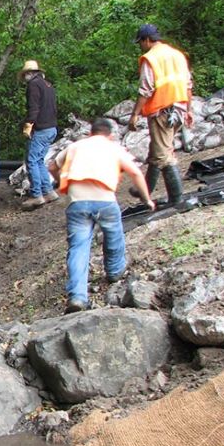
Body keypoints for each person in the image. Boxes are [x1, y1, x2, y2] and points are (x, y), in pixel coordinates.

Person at [48, 118, 156, 314]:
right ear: (110, 135)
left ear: (90, 133)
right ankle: (114, 271)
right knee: (113, 233)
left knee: (78, 248)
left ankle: (77, 297)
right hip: (105, 201)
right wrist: (147, 199)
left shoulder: (75, 146)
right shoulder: (113, 148)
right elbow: (136, 173)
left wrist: (61, 183)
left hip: (77, 202)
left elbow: (52, 167)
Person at [127, 23, 194, 206]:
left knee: (164, 155)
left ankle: (177, 198)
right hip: (178, 108)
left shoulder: (151, 58)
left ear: (147, 40)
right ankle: (144, 190)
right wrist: (188, 110)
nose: (140, 46)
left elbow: (145, 89)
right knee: (158, 150)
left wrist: (135, 114)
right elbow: (188, 84)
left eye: (140, 42)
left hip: (162, 111)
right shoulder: (177, 55)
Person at [18, 60, 59, 209]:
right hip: (51, 127)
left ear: (29, 73)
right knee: (40, 160)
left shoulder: (34, 85)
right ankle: (48, 192)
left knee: (32, 161)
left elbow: (33, 107)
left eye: (25, 75)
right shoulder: (48, 85)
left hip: (41, 128)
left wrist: (28, 125)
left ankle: (36, 195)